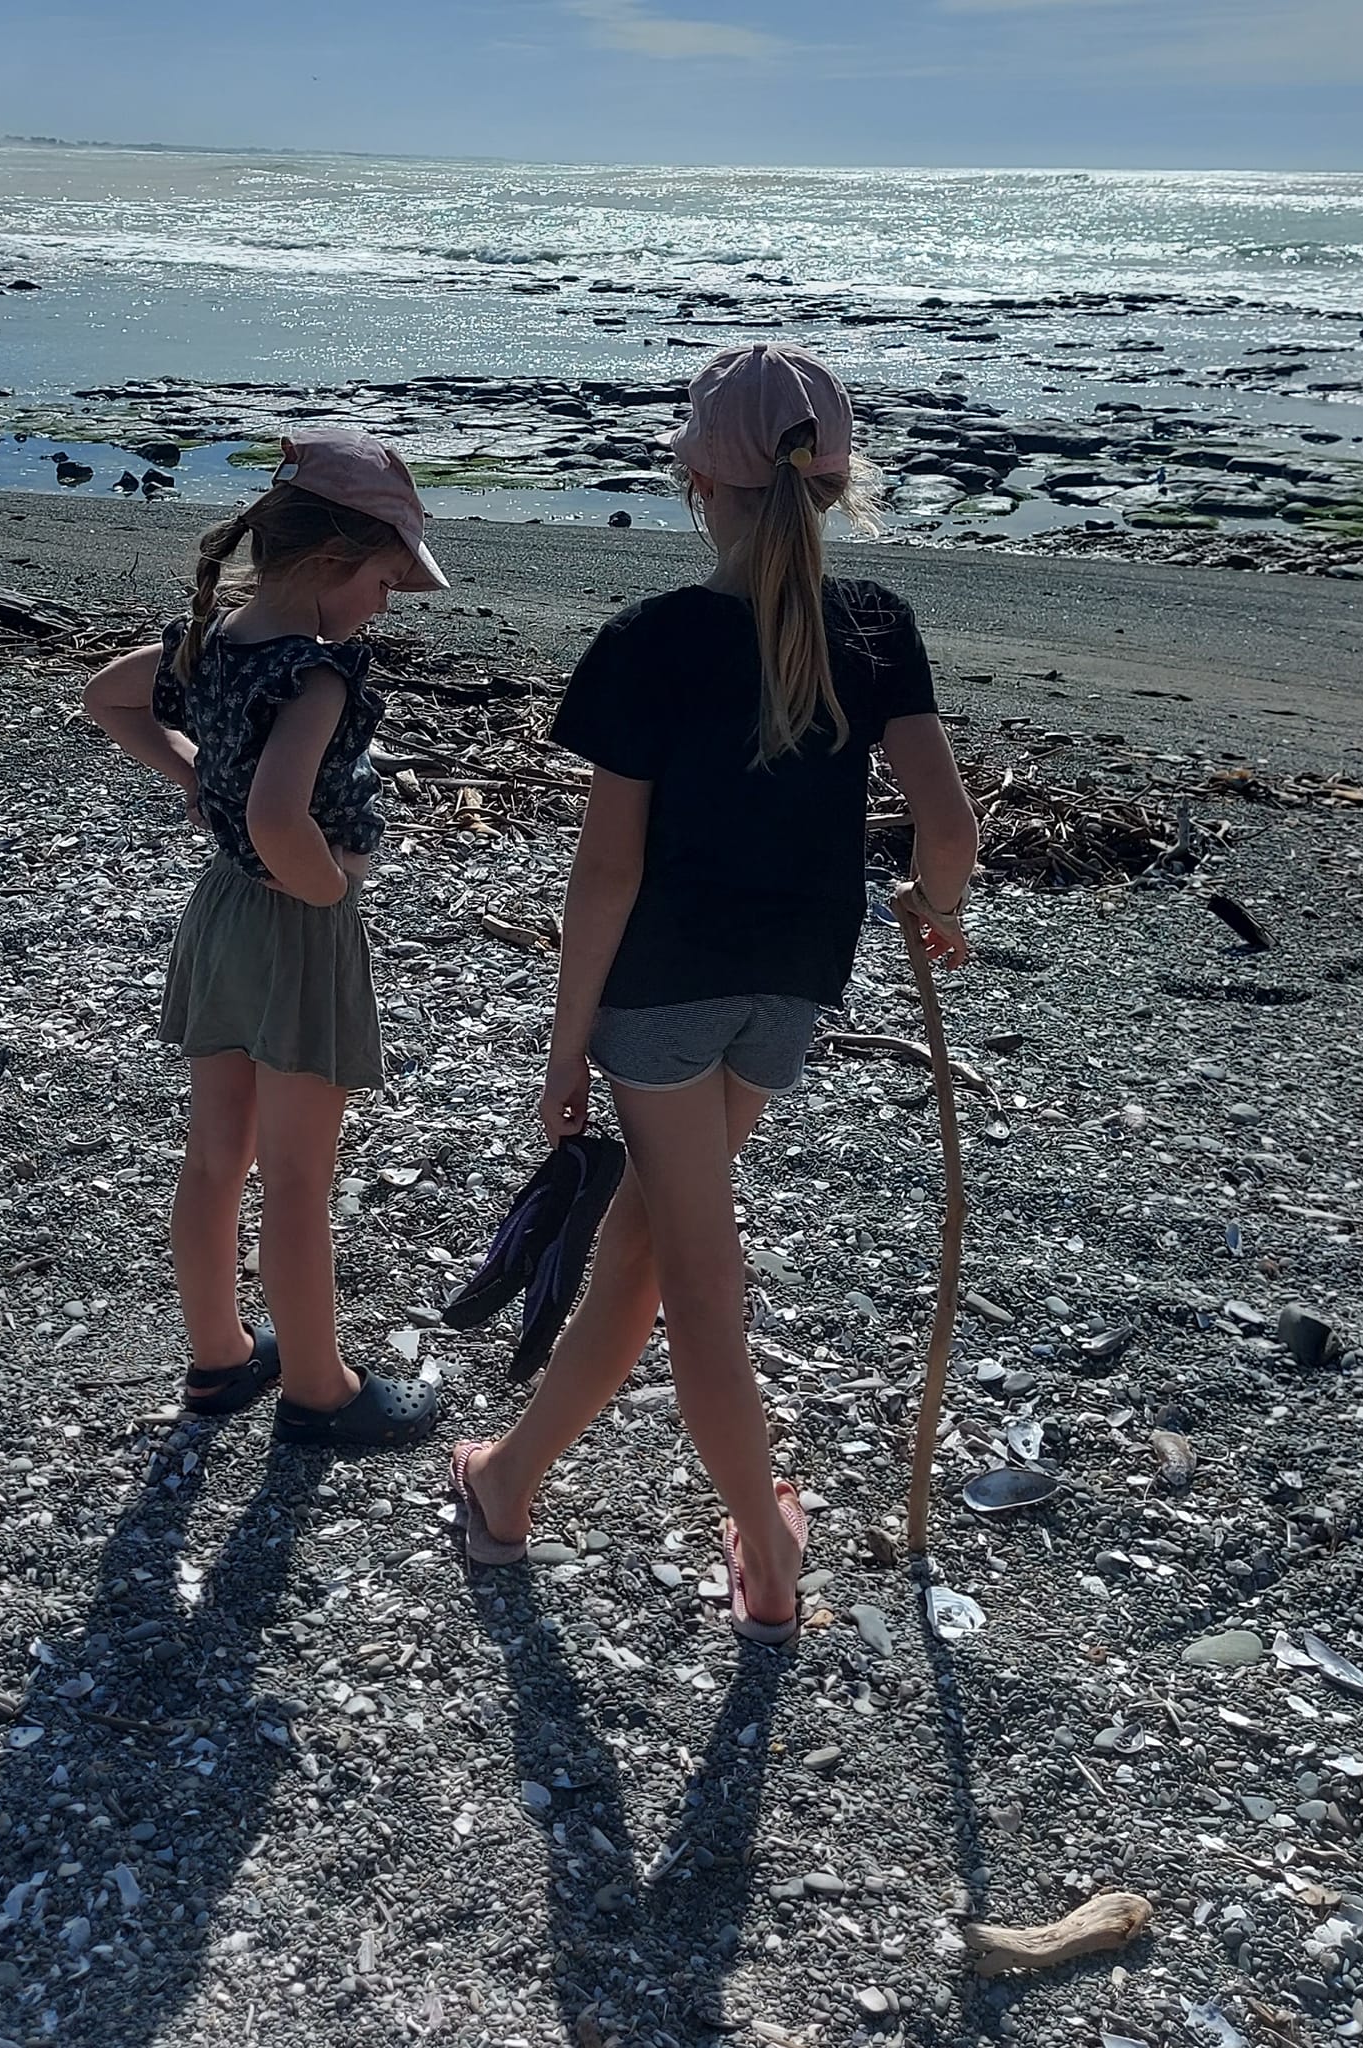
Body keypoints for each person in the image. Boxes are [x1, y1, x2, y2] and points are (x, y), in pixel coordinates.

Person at [448, 344, 978, 1641]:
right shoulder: (878, 629)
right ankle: (507, 1482)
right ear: (835, 477)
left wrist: (566, 1051)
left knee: (696, 1269)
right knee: (648, 1236)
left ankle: (770, 1565)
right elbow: (947, 825)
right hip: (792, 991)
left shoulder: (653, 643)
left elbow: (606, 875)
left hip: (666, 996)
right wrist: (939, 912)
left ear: (698, 478)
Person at [83, 431, 448, 1452]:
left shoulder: (213, 638)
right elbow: (288, 816)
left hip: (222, 910)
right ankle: (321, 1390)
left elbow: (106, 697)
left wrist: (198, 775)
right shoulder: (317, 675)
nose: (385, 601)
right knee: (294, 1175)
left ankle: (218, 1354)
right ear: (334, 563)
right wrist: (327, 883)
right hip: (293, 921)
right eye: (383, 579)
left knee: (214, 1156)